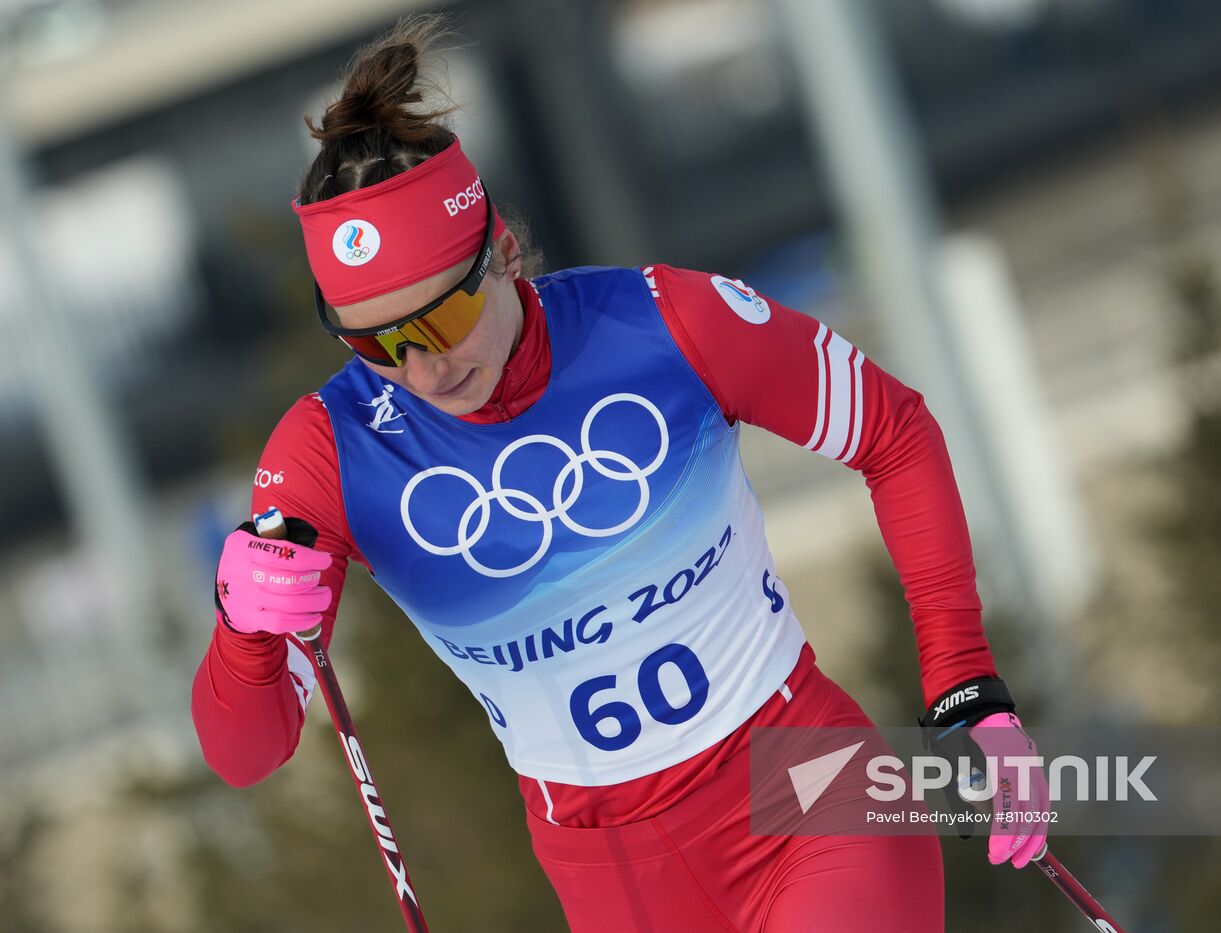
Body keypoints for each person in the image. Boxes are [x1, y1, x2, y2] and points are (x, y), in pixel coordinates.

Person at [191, 17, 1049, 932]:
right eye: (376, 344)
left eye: (441, 321)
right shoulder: (329, 449)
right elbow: (244, 754)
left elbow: (893, 429)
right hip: (606, 869)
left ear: (503, 255)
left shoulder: (664, 323)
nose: (425, 368)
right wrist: (244, 631)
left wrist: (965, 683)